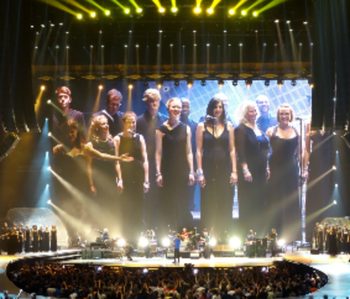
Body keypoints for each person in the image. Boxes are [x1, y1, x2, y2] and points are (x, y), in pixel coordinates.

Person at [196, 97, 237, 234]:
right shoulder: (202, 126)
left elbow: (232, 150)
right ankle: (207, 234)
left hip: (225, 168)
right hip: (208, 167)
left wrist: (234, 171)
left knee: (224, 200)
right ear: (210, 109)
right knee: (209, 201)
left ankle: (224, 234)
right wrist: (200, 172)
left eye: (220, 107)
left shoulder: (229, 125)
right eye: (215, 107)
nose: (218, 109)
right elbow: (198, 150)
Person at [155, 98, 195, 229]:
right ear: (168, 108)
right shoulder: (160, 129)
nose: (176, 109)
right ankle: (168, 234)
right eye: (173, 107)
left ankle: (183, 234)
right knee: (168, 203)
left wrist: (191, 171)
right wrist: (158, 173)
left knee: (183, 202)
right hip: (167, 171)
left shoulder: (186, 129)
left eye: (178, 107)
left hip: (182, 171)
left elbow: (189, 151)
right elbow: (158, 153)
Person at [234, 100, 270, 236]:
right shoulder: (241, 129)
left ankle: (259, 234)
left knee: (260, 203)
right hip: (249, 171)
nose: (254, 113)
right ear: (245, 113)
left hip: (261, 171)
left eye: (255, 111)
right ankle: (246, 234)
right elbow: (241, 151)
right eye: (251, 111)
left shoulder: (259, 128)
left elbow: (265, 150)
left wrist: (267, 167)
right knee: (248, 203)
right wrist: (245, 169)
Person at [266, 103, 301, 241]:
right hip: (275, 168)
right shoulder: (271, 131)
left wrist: (303, 169)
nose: (284, 116)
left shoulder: (297, 131)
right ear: (278, 116)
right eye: (282, 114)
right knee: (276, 200)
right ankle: (276, 234)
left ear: (291, 115)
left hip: (292, 168)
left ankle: (292, 235)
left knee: (290, 201)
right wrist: (267, 168)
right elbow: (265, 151)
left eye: (287, 113)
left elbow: (300, 152)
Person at [115, 111, 149, 245]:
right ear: (123, 123)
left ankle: (137, 239)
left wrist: (146, 180)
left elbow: (145, 160)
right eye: (129, 121)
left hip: (138, 174)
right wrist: (120, 179)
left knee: (138, 208)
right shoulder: (118, 138)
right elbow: (116, 160)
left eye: (134, 122)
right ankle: (126, 238)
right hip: (126, 175)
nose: (132, 124)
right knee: (126, 207)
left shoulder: (139, 138)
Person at [137, 89, 168, 230]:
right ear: (146, 101)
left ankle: (161, 231)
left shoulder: (165, 120)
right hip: (145, 164)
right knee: (147, 200)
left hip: (162, 164)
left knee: (162, 200)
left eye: (156, 99)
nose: (154, 102)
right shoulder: (138, 121)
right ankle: (147, 230)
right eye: (151, 99)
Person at [303, 125, 332, 241]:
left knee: (327, 197)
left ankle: (328, 234)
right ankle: (312, 235)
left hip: (330, 164)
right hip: (315, 165)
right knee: (314, 198)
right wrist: (305, 168)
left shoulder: (334, 123)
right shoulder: (310, 125)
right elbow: (306, 149)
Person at [180, 98, 198, 212]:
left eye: (187, 106)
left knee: (190, 196)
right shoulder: (171, 125)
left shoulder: (194, 125)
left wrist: (195, 169)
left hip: (191, 166)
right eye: (182, 106)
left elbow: (196, 148)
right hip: (177, 165)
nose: (184, 109)